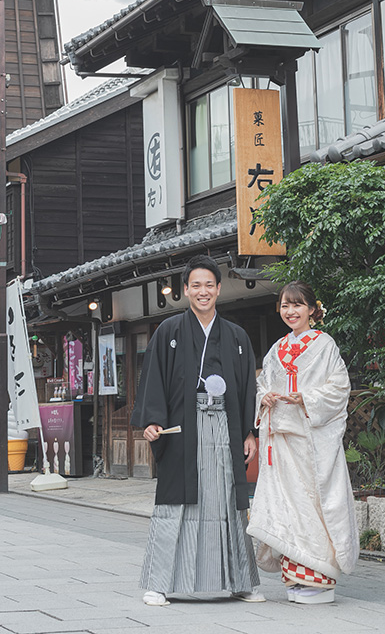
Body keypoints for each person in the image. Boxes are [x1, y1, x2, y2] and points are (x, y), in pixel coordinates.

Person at [131, 255, 263, 606]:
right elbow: (154, 378)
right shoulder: (169, 331)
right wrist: (152, 420)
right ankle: (159, 583)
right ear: (185, 290)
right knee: (176, 502)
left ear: (219, 289)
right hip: (182, 427)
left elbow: (247, 385)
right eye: (196, 285)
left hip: (224, 425)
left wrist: (248, 432)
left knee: (227, 500)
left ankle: (240, 581)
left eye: (209, 285)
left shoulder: (235, 336)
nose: (203, 292)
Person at [247, 281, 359, 605]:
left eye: (297, 305)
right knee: (288, 508)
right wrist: (263, 396)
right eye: (285, 305)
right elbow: (261, 384)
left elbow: (339, 388)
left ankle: (320, 578)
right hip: (281, 442)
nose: (290, 311)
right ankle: (294, 578)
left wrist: (305, 398)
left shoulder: (325, 346)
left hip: (311, 442)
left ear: (312, 309)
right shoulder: (276, 349)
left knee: (312, 506)